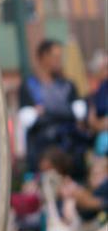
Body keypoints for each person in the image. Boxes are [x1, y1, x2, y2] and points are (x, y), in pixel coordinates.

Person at [20, 39, 84, 178]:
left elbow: (78, 114)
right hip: (41, 153)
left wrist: (45, 112)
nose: (59, 60)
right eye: (55, 56)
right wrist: (64, 112)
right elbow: (28, 119)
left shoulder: (68, 85)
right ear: (43, 57)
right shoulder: (28, 86)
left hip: (68, 151)